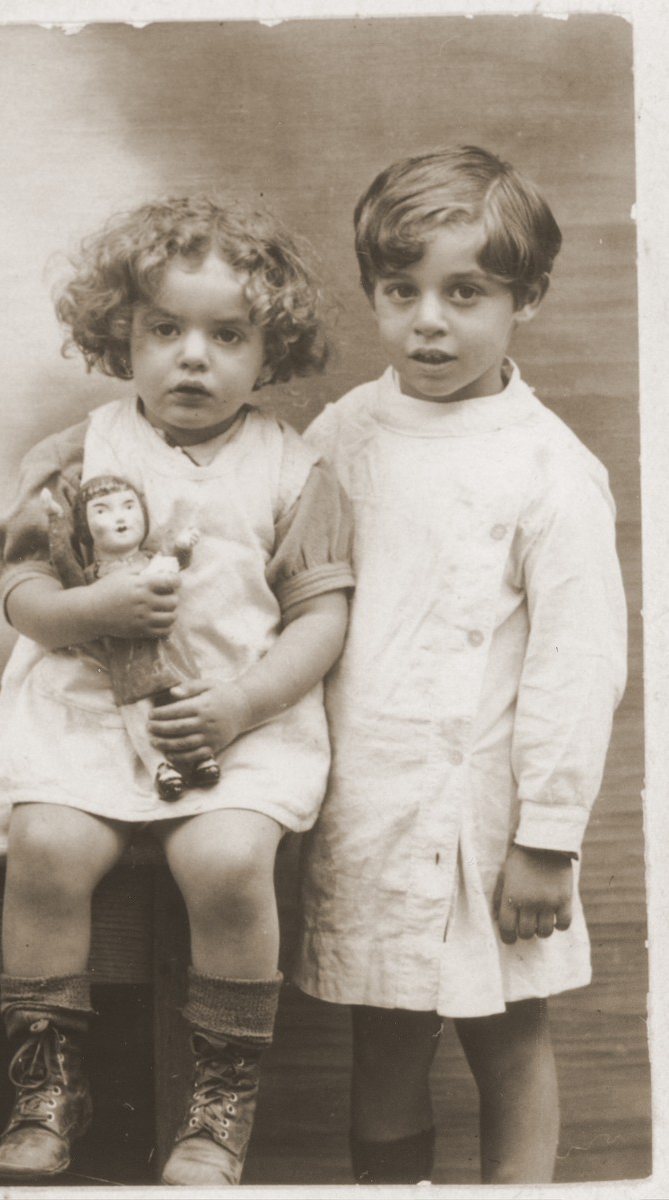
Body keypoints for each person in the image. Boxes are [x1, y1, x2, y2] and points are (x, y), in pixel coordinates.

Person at [0, 195, 354, 1186]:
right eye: (164, 329)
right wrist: (91, 610)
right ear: (120, 335)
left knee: (229, 863)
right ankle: (48, 1082)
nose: (194, 356)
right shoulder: (74, 457)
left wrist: (243, 704)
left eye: (226, 335)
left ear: (268, 351)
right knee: (47, 843)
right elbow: (22, 594)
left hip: (234, 720)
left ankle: (219, 1103)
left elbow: (319, 620)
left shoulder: (294, 470)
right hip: (89, 710)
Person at [293, 146, 628, 1186]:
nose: (427, 321)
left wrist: (546, 839)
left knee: (508, 1028)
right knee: (383, 1028)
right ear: (373, 296)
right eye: (401, 292)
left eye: (464, 292)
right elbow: (291, 594)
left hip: (486, 814)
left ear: (523, 298)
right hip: (369, 799)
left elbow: (579, 669)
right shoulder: (340, 434)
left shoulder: (550, 469)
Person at [41, 474, 221, 799]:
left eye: (128, 506)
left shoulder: (150, 560)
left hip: (168, 650)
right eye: (102, 511)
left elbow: (173, 564)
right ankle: (160, 768)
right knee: (139, 710)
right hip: (127, 657)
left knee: (182, 697)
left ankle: (200, 758)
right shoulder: (92, 576)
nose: (120, 517)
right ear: (84, 527)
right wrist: (55, 522)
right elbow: (65, 564)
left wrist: (182, 547)